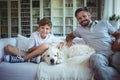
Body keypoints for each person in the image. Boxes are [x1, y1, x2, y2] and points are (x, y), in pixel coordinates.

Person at [66, 7, 120, 80]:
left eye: (84, 16)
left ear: (89, 15)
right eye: (79, 18)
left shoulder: (103, 23)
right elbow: (69, 36)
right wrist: (69, 40)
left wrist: (116, 44)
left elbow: (118, 34)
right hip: (99, 54)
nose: (82, 19)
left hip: (113, 51)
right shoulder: (79, 30)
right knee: (94, 59)